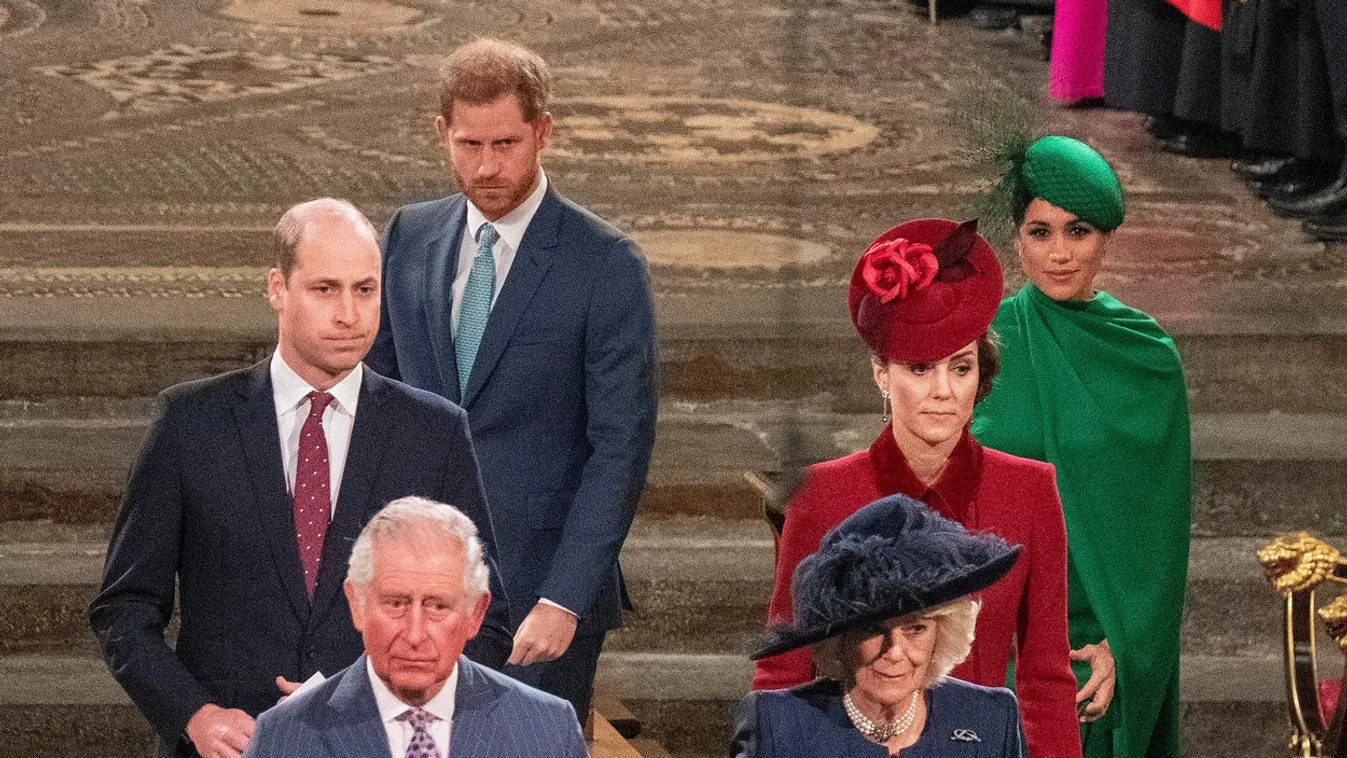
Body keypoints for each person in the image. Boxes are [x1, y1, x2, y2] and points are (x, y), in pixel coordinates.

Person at [90, 199, 512, 758]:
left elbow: (488, 622)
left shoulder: (434, 433)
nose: (349, 314)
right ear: (277, 289)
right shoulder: (191, 424)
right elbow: (124, 610)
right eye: (325, 289)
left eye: (365, 290)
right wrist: (193, 714)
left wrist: (388, 707)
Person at [366, 38, 658, 719]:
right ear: (441, 133)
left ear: (543, 132)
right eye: (469, 145)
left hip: (540, 602)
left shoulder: (605, 263)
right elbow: (377, 407)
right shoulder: (408, 236)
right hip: (419, 595)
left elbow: (620, 447)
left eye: (506, 144)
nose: (488, 166)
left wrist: (564, 599)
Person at [752, 218, 1083, 758]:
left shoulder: (1029, 490)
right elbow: (782, 674)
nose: (943, 391)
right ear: (882, 374)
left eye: (961, 368)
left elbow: (1045, 679)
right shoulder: (823, 494)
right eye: (921, 368)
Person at [971, 135, 1192, 758]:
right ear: (1016, 237)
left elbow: (1161, 539)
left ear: (1107, 238)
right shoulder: (982, 344)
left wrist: (1125, 645)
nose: (1060, 254)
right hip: (989, 627)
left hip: (1094, 641)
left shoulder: (1147, 358)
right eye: (1040, 232)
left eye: (1079, 231)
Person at [243, 497, 587, 758]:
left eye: (438, 606)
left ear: (476, 614)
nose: (414, 634)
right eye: (396, 603)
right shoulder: (284, 737)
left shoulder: (547, 729)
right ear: (357, 604)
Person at [734, 493, 1026, 757]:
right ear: (839, 639)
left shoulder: (989, 718)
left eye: (916, 629)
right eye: (872, 629)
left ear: (943, 634)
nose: (895, 651)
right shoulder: (777, 724)